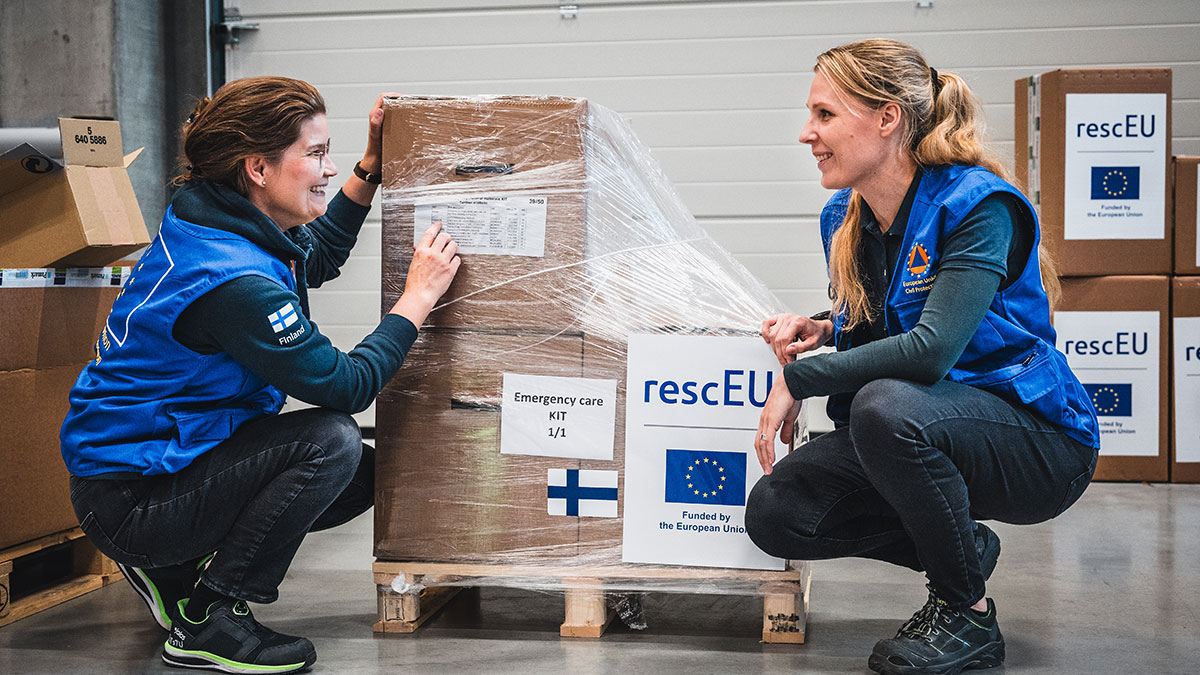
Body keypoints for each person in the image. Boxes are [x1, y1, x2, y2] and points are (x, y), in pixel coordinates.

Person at [60, 77, 460, 674]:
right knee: (330, 441)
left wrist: (370, 168)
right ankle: (210, 619)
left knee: (360, 476)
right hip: (131, 500)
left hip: (168, 465)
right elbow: (347, 386)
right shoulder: (232, 282)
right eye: (316, 154)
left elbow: (315, 256)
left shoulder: (222, 217)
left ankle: (179, 569)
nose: (328, 169)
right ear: (258, 168)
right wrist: (417, 298)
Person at [745, 40, 1100, 675]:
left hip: (1037, 441)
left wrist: (800, 379)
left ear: (887, 118)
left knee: (885, 406)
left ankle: (967, 614)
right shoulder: (844, 217)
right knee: (779, 510)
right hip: (929, 421)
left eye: (825, 115)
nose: (807, 134)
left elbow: (931, 350)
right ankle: (961, 547)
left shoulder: (978, 206)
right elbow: (882, 322)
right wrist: (823, 327)